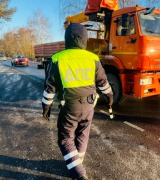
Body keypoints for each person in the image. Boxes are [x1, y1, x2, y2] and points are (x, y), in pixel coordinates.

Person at [42, 23, 114, 180]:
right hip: (89, 105)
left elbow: (50, 88)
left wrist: (46, 107)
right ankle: (77, 161)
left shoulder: (58, 58)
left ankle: (78, 173)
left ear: (67, 38)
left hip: (70, 107)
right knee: (83, 135)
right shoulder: (93, 58)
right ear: (85, 39)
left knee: (65, 138)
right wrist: (110, 96)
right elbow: (103, 82)